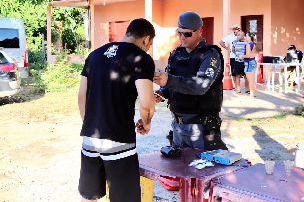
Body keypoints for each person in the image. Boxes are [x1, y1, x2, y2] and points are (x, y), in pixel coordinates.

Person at [77, 18, 156, 202]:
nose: (148, 48)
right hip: (119, 140)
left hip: (90, 139)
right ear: (145, 39)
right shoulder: (141, 58)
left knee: (89, 197)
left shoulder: (95, 55)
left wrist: (89, 124)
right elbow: (146, 103)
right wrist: (146, 122)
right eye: (149, 44)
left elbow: (82, 96)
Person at [153, 11, 227, 150]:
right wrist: (162, 93)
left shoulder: (210, 55)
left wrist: (168, 80)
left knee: (205, 169)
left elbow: (200, 86)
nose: (182, 37)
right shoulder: (176, 54)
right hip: (178, 126)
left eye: (187, 34)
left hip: (202, 127)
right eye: (179, 33)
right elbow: (172, 85)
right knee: (178, 168)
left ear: (199, 31)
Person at [239, 32, 258, 97]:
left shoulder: (248, 45)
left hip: (249, 63)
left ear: (249, 37)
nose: (245, 37)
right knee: (252, 80)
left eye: (246, 36)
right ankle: (253, 94)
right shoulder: (253, 44)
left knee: (250, 80)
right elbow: (253, 54)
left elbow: (248, 55)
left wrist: (242, 56)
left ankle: (252, 95)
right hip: (253, 62)